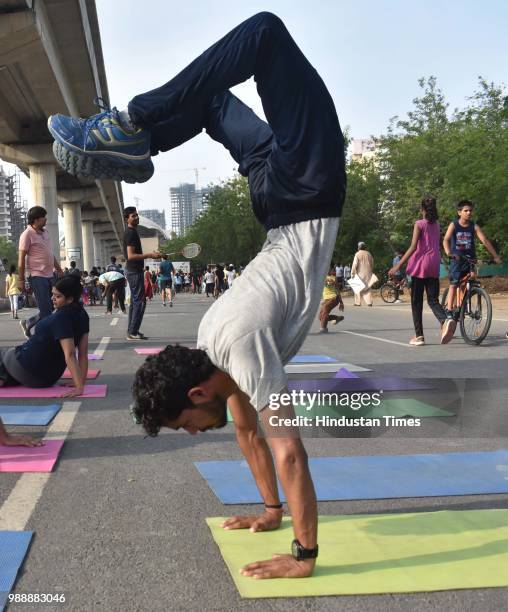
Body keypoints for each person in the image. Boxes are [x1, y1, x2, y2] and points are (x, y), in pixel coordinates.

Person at [48, 12, 345, 579]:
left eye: (186, 422)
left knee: (264, 34)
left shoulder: (234, 344)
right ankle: (139, 142)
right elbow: (248, 431)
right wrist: (269, 511)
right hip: (281, 193)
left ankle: (131, 126)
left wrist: (302, 558)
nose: (193, 433)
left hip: (305, 186)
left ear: (197, 388)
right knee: (211, 103)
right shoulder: (221, 354)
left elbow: (288, 450)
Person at [0, 275, 89, 447]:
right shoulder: (81, 314)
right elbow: (83, 353)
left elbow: (70, 354)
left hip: (25, 366)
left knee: (5, 353)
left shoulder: (61, 317)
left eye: (57, 296)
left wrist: (79, 388)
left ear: (70, 299)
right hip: (46, 378)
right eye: (53, 295)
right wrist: (81, 380)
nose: (52, 298)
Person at [389, 196, 452, 346]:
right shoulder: (437, 224)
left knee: (416, 301)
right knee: (432, 299)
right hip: (434, 263)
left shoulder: (419, 224)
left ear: (422, 209)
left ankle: (419, 336)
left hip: (420, 265)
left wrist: (398, 266)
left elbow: (413, 247)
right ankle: (445, 319)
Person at [443, 200, 501, 330]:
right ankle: (449, 311)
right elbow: (446, 239)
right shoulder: (454, 224)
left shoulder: (473, 226)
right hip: (457, 258)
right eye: (466, 210)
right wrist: (448, 252)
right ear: (459, 212)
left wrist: (495, 256)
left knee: (472, 278)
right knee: (454, 283)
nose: (469, 213)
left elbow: (484, 240)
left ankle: (463, 305)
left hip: (470, 259)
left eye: (470, 210)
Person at [18, 206, 64, 338]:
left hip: (50, 275)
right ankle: (44, 339)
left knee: (52, 307)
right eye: (43, 217)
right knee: (46, 310)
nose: (46, 219)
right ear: (36, 220)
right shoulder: (26, 234)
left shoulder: (45, 233)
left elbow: (50, 253)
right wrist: (21, 280)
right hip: (37, 276)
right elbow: (21, 259)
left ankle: (29, 323)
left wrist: (59, 269)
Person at [122, 207, 161, 340]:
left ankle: (132, 331)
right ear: (127, 219)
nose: (137, 217)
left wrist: (154, 255)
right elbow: (131, 256)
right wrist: (149, 255)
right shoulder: (130, 233)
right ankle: (132, 331)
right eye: (133, 216)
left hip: (134, 270)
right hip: (134, 271)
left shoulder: (132, 232)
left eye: (137, 215)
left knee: (135, 302)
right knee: (140, 302)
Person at [318, 263, 344, 333]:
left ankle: (323, 328)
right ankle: (337, 318)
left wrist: (341, 302)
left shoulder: (333, 278)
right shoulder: (321, 277)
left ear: (330, 269)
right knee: (320, 317)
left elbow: (338, 290)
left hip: (334, 298)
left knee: (325, 312)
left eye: (328, 268)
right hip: (326, 299)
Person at [351, 242, 375, 306]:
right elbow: (372, 263)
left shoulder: (357, 254)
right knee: (368, 288)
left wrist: (352, 273)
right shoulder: (369, 254)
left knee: (357, 287)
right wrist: (371, 270)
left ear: (359, 247)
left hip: (360, 273)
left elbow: (355, 264)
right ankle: (369, 302)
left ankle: (358, 302)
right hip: (368, 273)